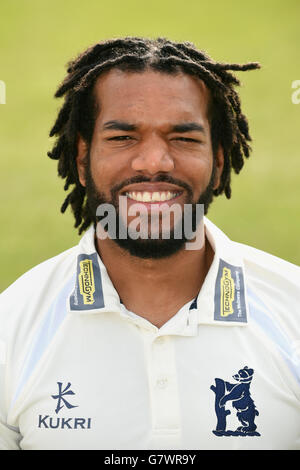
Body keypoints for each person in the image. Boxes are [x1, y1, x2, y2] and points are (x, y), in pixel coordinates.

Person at [0, 37, 299, 451]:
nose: (154, 162)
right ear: (83, 159)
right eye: (123, 138)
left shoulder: (293, 310)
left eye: (183, 138)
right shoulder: (11, 327)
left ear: (219, 163)